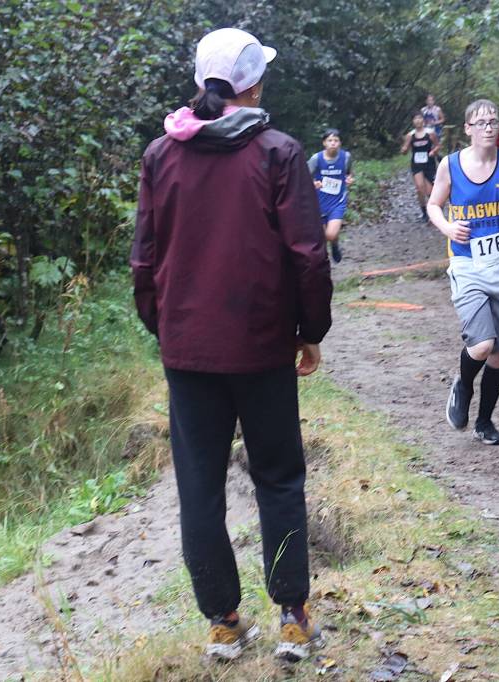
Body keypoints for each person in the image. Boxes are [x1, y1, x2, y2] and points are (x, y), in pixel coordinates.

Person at [131, 27, 332, 662]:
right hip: (262, 348)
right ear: (253, 84)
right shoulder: (278, 152)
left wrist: (166, 331)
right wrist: (309, 331)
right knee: (278, 477)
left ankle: (223, 622)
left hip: (189, 352)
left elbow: (144, 263)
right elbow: (307, 254)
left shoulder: (162, 154)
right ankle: (293, 618)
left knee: (199, 486)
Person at [428, 98, 499, 445]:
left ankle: (485, 422)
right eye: (482, 123)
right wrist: (448, 228)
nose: (490, 128)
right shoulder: (450, 165)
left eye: (494, 122)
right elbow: (433, 204)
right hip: (466, 264)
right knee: (482, 345)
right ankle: (462, 386)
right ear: (468, 129)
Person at [308, 128, 355, 263]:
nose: (333, 143)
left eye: (336, 140)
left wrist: (349, 179)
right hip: (319, 202)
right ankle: (323, 262)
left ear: (340, 143)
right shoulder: (316, 159)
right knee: (322, 237)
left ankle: (334, 245)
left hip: (337, 201)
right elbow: (303, 176)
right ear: (324, 143)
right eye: (330, 140)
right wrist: (313, 183)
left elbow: (349, 173)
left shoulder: (346, 157)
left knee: (331, 234)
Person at [401, 113, 440, 221]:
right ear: (413, 121)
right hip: (416, 164)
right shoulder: (410, 135)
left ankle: (434, 211)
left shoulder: (430, 133)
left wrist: (433, 151)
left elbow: (438, 145)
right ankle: (424, 213)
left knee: (430, 192)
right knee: (419, 187)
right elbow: (405, 149)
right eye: (415, 119)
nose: (418, 121)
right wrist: (404, 149)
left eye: (420, 118)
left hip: (429, 164)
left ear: (423, 120)